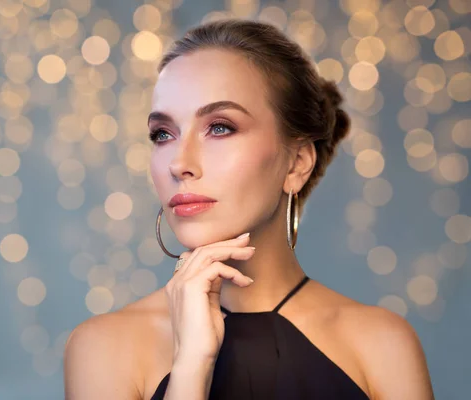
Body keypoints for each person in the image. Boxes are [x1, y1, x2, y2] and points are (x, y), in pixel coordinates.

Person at [64, 19, 434, 399]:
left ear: (296, 164)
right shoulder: (104, 346)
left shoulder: (382, 344)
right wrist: (191, 365)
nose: (179, 163)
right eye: (163, 134)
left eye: (220, 127)